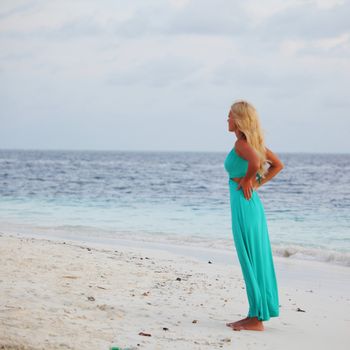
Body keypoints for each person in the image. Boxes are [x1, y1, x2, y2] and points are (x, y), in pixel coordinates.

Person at [224, 100, 284, 331]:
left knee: (249, 258)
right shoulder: (251, 143)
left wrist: (251, 179)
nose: (227, 120)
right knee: (254, 258)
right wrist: (258, 182)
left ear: (239, 120)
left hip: (244, 204)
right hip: (249, 204)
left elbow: (259, 162)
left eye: (229, 116)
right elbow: (277, 165)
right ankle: (256, 313)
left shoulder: (242, 144)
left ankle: (256, 319)